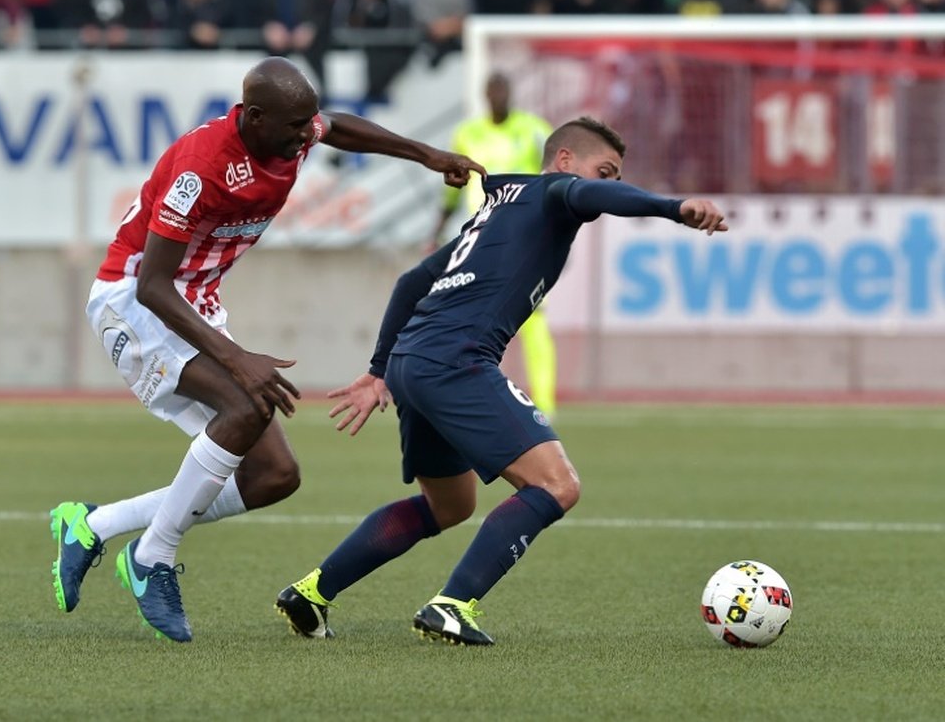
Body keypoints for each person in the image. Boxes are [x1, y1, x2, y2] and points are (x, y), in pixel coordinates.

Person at [48, 56, 484, 643]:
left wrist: (426, 155)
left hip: (194, 303)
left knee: (275, 475)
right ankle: (152, 558)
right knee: (247, 405)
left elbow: (341, 126)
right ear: (253, 117)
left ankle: (94, 526)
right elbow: (152, 284)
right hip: (133, 300)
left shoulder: (290, 132)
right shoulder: (201, 168)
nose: (310, 134)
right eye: (297, 125)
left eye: (310, 123)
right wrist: (236, 357)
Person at [274, 116, 727, 645]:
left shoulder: (500, 209)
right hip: (456, 361)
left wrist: (380, 369)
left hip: (413, 362)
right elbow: (589, 192)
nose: (606, 186)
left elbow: (413, 281)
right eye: (604, 172)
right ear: (563, 161)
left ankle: (312, 591)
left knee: (450, 506)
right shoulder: (556, 192)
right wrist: (673, 208)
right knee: (558, 485)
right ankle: (452, 605)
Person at [429, 72, 558, 418]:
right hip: (482, 236)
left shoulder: (533, 129)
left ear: (510, 92)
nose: (498, 95)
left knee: (532, 317)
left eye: (503, 88)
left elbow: (555, 175)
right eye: (493, 89)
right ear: (485, 94)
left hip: (527, 236)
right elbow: (452, 187)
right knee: (469, 314)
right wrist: (437, 228)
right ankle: (462, 391)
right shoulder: (467, 134)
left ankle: (545, 402)